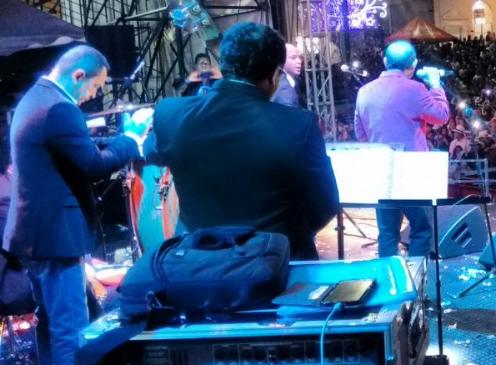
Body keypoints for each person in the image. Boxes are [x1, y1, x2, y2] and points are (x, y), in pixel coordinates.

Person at [4, 46, 145, 365]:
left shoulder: (37, 98)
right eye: (95, 87)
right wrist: (130, 139)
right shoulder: (59, 108)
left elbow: (72, 149)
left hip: (34, 234)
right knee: (69, 326)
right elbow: (93, 164)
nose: (93, 96)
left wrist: (109, 142)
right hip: (55, 236)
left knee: (50, 325)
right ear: (78, 75)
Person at [144, 23, 339, 260]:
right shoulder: (300, 125)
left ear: (223, 65)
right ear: (273, 75)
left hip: (200, 264)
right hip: (278, 265)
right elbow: (325, 206)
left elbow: (151, 154)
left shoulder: (170, 114)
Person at [354, 40, 450, 258]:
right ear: (413, 65)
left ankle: (389, 278)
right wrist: (436, 86)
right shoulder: (416, 89)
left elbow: (361, 134)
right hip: (411, 171)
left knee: (387, 233)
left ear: (385, 61)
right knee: (421, 229)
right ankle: (416, 277)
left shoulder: (364, 92)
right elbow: (441, 116)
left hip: (381, 172)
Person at [272, 43, 305, 108]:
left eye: (299, 57)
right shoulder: (284, 88)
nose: (299, 61)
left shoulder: (291, 80)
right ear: (281, 60)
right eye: (293, 58)